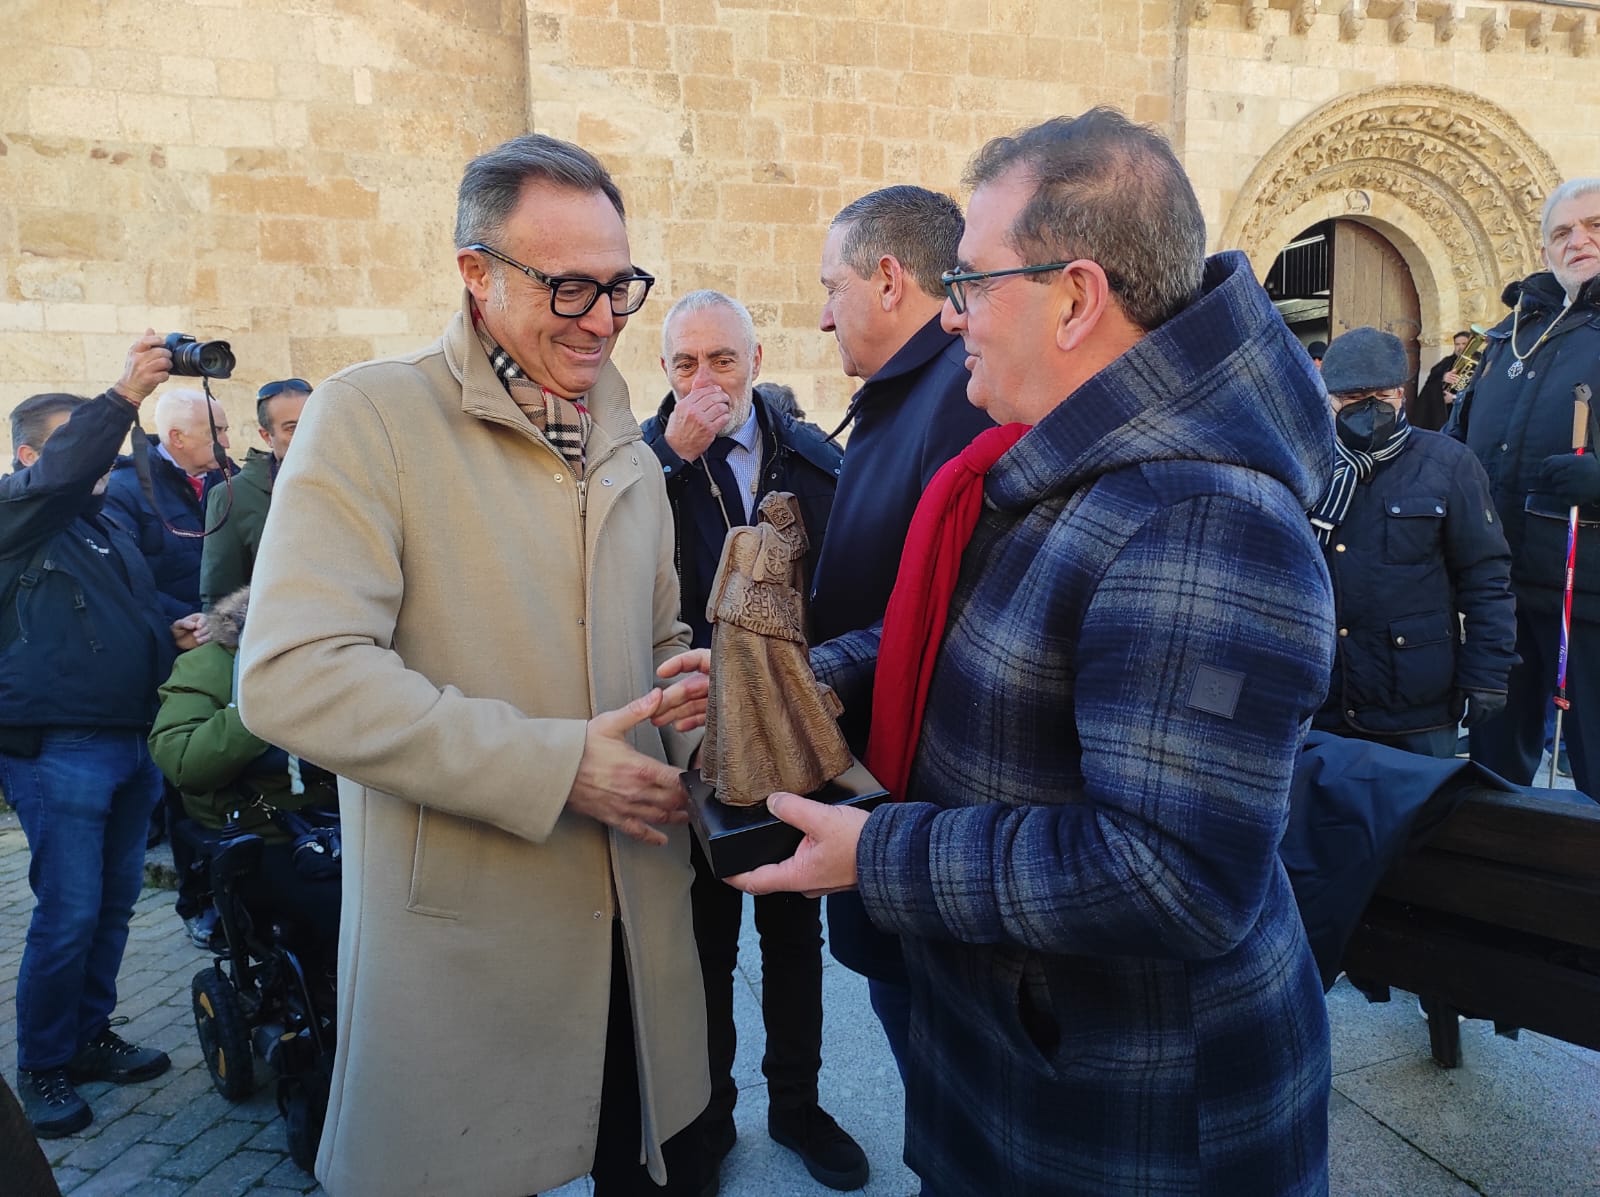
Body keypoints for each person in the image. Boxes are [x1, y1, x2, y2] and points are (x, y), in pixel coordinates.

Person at [731, 109, 1336, 1194]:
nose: (951, 315)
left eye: (970, 282)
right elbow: (970, 638)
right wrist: (792, 679)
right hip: (1023, 1058)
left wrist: (876, 857)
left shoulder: (1201, 522)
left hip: (1128, 1115)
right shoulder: (1067, 461)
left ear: (1074, 298)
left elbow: (1176, 875)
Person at [236, 134, 714, 1197]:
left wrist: (710, 709)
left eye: (621, 285)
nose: (602, 319)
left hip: (639, 936)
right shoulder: (372, 417)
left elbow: (660, 642)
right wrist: (553, 767)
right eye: (570, 287)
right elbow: (293, 673)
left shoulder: (626, 436)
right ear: (474, 273)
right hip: (466, 952)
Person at [641, 291, 866, 1191]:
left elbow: (848, 584)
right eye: (685, 365)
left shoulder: (811, 457)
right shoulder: (640, 463)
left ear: (757, 360)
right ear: (664, 374)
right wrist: (670, 456)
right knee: (704, 938)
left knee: (793, 929)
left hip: (790, 730)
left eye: (721, 360)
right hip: (692, 736)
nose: (704, 381)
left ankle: (799, 1105)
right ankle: (708, 1116)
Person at [810, 185, 994, 1078]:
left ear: (888, 279)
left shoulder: (960, 394)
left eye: (830, 286)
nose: (821, 315)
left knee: (948, 1091)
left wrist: (814, 674)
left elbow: (949, 615)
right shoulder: (907, 391)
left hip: (924, 818)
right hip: (888, 797)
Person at [0, 335, 197, 1139]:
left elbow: (127, 612)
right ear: (27, 456)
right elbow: (55, 478)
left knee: (112, 909)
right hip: (59, 752)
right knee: (68, 913)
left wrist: (173, 629)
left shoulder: (100, 526)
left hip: (128, 741)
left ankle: (88, 1036)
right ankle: (42, 1062)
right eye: (80, 450)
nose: (98, 467)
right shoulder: (17, 516)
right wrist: (122, 396)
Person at [1451, 177, 1600, 797]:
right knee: (1490, 776)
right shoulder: (1504, 336)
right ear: (1544, 252)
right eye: (1562, 232)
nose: (1579, 241)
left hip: (1587, 596)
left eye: (1595, 226)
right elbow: (1454, 441)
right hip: (1500, 595)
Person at [1309, 327, 1516, 757]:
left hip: (1415, 702)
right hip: (1322, 698)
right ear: (1329, 399)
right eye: (1352, 399)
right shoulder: (1308, 465)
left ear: (1402, 393)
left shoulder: (1448, 463)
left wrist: (1487, 672)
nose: (1369, 410)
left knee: (1424, 822)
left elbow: (1485, 575)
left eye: (1382, 396)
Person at [149, 585, 341, 960]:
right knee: (337, 910)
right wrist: (256, 706)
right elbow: (183, 762)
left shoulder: (334, 662)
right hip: (265, 836)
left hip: (342, 828)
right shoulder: (208, 664)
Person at [103, 387, 232, 623]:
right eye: (215, 432)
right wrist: (185, 620)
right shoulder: (124, 490)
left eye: (225, 430)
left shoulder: (230, 478)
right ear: (177, 437)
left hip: (235, 623)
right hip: (173, 635)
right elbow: (123, 578)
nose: (226, 443)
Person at [199, 378, 311, 609]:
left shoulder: (361, 480)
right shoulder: (233, 497)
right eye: (292, 428)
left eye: (314, 422)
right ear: (266, 436)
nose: (309, 434)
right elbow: (221, 600)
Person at [1410, 330, 1472, 432]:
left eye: (1464, 344)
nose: (1460, 347)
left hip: (1465, 412)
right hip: (1444, 412)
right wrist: (1442, 377)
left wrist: (1455, 398)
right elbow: (1430, 384)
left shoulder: (1480, 361)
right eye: (1457, 344)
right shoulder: (1446, 362)